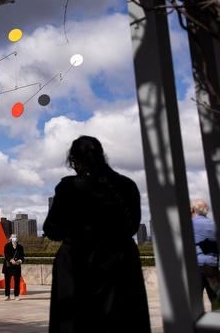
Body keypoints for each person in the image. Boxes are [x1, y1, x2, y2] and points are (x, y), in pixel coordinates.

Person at [43, 136, 150, 333]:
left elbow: (51, 229)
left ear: (74, 161)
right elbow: (132, 227)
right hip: (121, 263)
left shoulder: (68, 187)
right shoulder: (127, 185)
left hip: (78, 264)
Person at [191, 199, 220, 310]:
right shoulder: (214, 224)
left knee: (194, 304)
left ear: (193, 209)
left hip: (197, 268)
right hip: (212, 267)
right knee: (218, 302)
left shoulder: (191, 225)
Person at [2, 233, 25, 301]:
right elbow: (6, 255)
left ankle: (16, 295)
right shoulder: (7, 246)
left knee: (17, 282)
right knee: (7, 282)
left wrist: (19, 261)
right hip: (8, 266)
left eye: (15, 237)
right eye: (13, 237)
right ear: (10, 239)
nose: (14, 238)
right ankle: (7, 295)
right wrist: (11, 260)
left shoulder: (20, 247)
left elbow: (22, 256)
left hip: (17, 267)